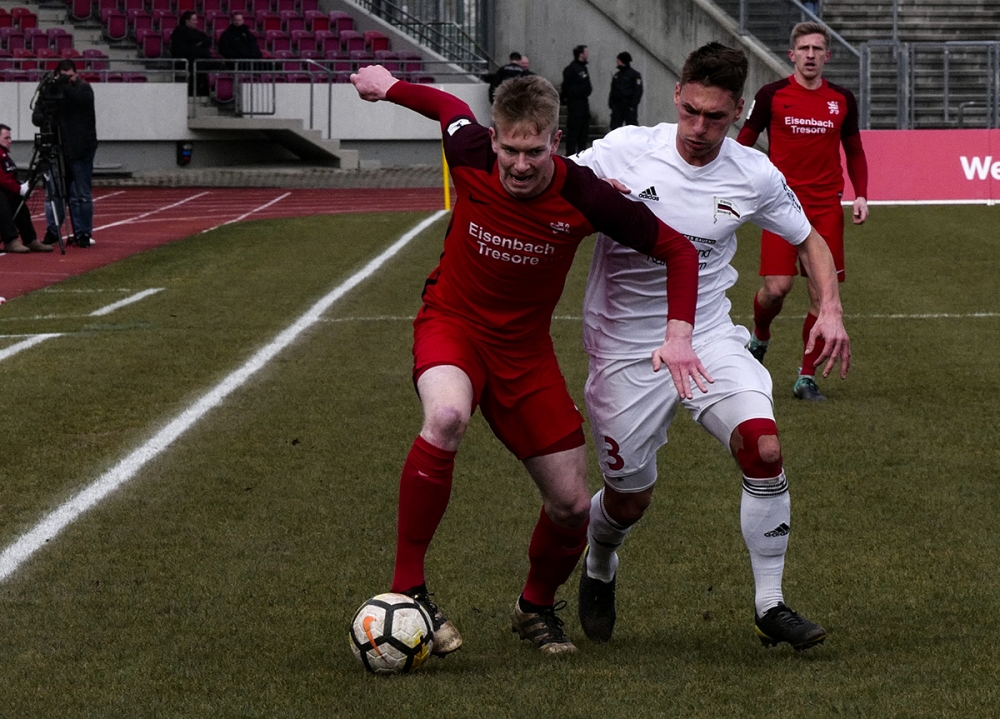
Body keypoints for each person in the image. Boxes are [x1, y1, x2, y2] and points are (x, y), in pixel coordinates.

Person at [350, 64, 709, 656]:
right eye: (510, 150)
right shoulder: (468, 149)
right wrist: (387, 87)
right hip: (452, 325)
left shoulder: (585, 193)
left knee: (571, 505)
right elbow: (445, 106)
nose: (520, 165)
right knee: (445, 418)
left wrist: (678, 334)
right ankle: (408, 590)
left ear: (556, 142)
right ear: (492, 138)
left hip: (525, 353)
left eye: (534, 152)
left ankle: (534, 607)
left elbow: (677, 249)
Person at [571, 42, 850, 650]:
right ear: (676, 95)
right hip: (626, 348)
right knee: (629, 500)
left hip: (706, 337)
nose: (699, 129)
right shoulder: (622, 150)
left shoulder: (753, 173)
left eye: (716, 117)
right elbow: (548, 189)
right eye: (691, 112)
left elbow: (809, 239)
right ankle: (600, 560)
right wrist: (586, 196)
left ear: (738, 111)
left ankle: (770, 604)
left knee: (764, 447)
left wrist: (830, 309)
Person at [737, 21, 868, 401]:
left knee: (822, 297)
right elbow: (744, 143)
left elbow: (855, 150)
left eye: (817, 49)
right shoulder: (771, 95)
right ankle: (760, 335)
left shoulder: (841, 99)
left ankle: (805, 377)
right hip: (780, 206)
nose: (810, 55)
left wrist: (861, 194)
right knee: (776, 289)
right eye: (804, 49)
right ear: (792, 54)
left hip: (826, 208)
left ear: (827, 55)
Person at [31, 60, 97, 249]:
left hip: (80, 149)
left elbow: (80, 101)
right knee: (54, 194)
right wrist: (44, 116)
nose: (66, 79)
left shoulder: (83, 89)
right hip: (56, 148)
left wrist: (64, 85)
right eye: (63, 75)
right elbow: (37, 116)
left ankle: (83, 233)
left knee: (81, 195)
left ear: (76, 74)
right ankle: (53, 231)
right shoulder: (50, 90)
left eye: (70, 75)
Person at [0, 124, 51, 253]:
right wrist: (19, 189)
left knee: (18, 202)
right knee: (2, 201)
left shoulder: (4, 155)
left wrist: (22, 188)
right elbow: (2, 178)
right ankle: (10, 240)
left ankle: (29, 239)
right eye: (6, 138)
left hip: (5, 191)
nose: (10, 141)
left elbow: (9, 176)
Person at [170, 10, 214, 96]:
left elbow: (208, 41)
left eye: (196, 20)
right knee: (199, 66)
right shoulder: (179, 32)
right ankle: (193, 92)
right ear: (187, 21)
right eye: (194, 20)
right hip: (184, 60)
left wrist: (199, 45)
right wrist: (199, 46)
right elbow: (183, 49)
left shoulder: (198, 33)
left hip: (199, 58)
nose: (196, 22)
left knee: (218, 65)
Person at [561, 44, 592, 155]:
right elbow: (566, 87)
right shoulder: (571, 69)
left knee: (583, 133)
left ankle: (582, 155)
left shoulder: (583, 68)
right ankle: (570, 155)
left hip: (583, 105)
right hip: (575, 105)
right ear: (581, 54)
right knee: (573, 132)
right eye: (586, 52)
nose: (588, 54)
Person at [608, 51, 643, 129]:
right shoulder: (617, 75)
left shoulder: (634, 75)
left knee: (631, 128)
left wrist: (633, 105)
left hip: (628, 105)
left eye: (618, 60)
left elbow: (638, 91)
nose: (617, 62)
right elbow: (613, 91)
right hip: (617, 106)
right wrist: (611, 104)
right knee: (615, 128)